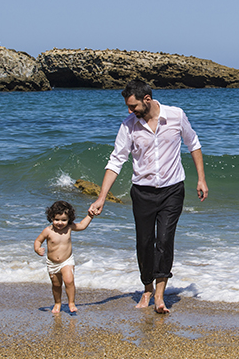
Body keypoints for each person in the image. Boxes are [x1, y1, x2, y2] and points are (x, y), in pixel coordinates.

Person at [89, 79, 208, 314]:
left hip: (172, 190)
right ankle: (147, 288)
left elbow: (193, 143)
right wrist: (102, 197)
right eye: (128, 107)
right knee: (144, 242)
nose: (130, 111)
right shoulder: (128, 126)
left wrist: (201, 179)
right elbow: (116, 161)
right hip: (142, 192)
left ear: (147, 99)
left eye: (133, 106)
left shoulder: (176, 115)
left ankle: (160, 295)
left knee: (164, 240)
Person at [34, 200, 93, 314]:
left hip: (66, 261)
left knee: (69, 280)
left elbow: (82, 225)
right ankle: (57, 303)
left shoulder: (69, 227)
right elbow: (38, 240)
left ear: (69, 219)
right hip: (52, 263)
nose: (60, 223)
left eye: (64, 220)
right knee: (56, 285)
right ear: (51, 217)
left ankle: (71, 302)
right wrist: (37, 249)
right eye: (57, 219)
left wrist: (90, 216)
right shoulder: (48, 231)